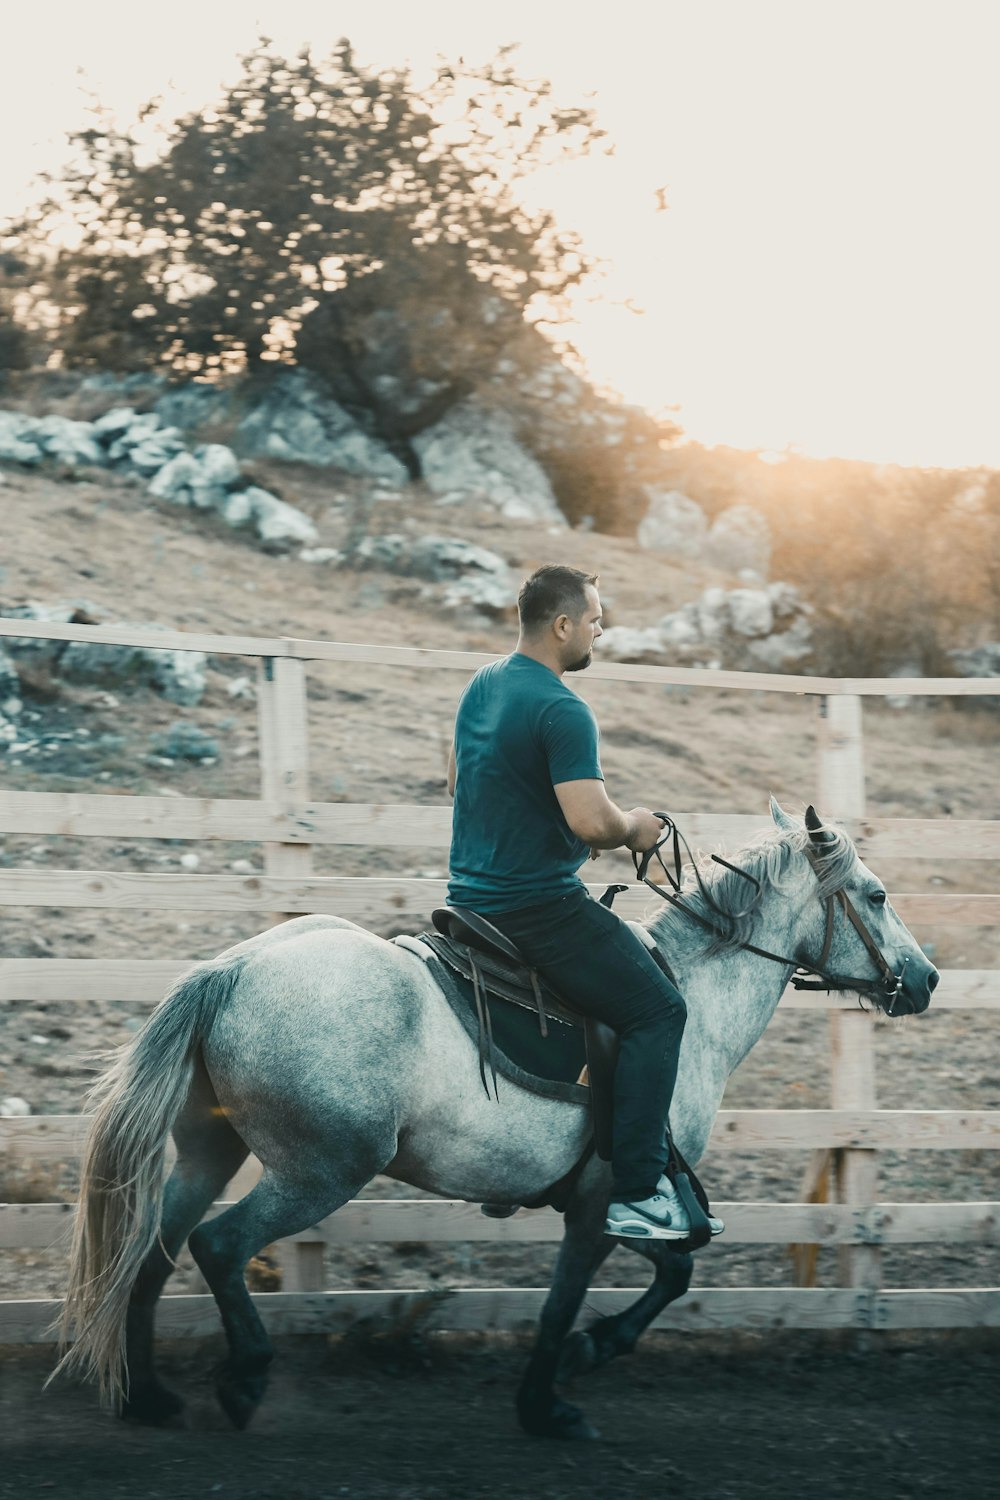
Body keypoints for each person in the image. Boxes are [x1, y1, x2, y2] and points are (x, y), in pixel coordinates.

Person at [446, 563, 722, 1240]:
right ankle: (637, 1190)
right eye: (596, 619)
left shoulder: (482, 685)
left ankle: (513, 1162)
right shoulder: (563, 707)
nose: (602, 629)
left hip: (468, 898)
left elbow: (454, 777)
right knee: (659, 1009)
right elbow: (593, 824)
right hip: (535, 906)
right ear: (563, 625)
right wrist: (640, 826)